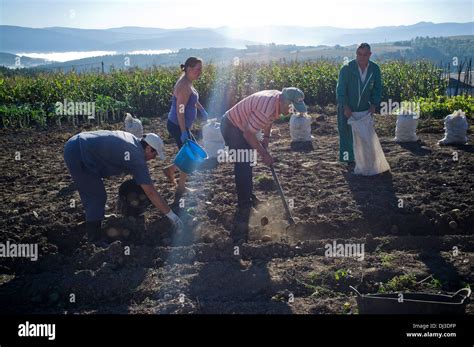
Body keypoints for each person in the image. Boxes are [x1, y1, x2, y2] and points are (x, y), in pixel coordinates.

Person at [64, 130, 183, 240]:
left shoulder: (133, 142)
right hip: (79, 152)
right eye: (155, 154)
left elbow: (141, 181)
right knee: (97, 196)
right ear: (148, 148)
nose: (154, 158)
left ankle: (99, 217)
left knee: (97, 193)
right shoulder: (136, 156)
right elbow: (150, 192)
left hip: (79, 144)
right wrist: (172, 216)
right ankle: (94, 239)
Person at [220, 87, 307, 213]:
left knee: (249, 162)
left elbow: (270, 119)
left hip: (243, 126)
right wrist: (264, 154)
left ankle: (248, 196)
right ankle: (244, 205)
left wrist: (266, 137)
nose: (292, 111)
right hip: (231, 126)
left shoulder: (278, 99)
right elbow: (248, 135)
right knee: (243, 162)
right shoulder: (266, 109)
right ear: (285, 102)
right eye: (291, 107)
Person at [163, 57, 209, 203]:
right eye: (197, 69)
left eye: (201, 69)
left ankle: (173, 174)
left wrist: (202, 110)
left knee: (190, 154)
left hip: (181, 126)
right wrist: (183, 131)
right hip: (177, 125)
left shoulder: (188, 82)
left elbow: (193, 100)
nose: (200, 72)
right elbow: (180, 110)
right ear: (188, 69)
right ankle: (178, 185)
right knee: (191, 154)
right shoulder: (184, 85)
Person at [336, 42, 382, 165]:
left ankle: (363, 159)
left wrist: (373, 105)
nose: (361, 57)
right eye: (359, 54)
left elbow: (377, 89)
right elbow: (340, 90)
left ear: (370, 54)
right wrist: (345, 106)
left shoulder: (374, 69)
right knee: (346, 136)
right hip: (347, 108)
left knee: (364, 136)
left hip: (364, 109)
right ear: (356, 54)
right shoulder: (346, 68)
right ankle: (347, 160)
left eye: (365, 55)